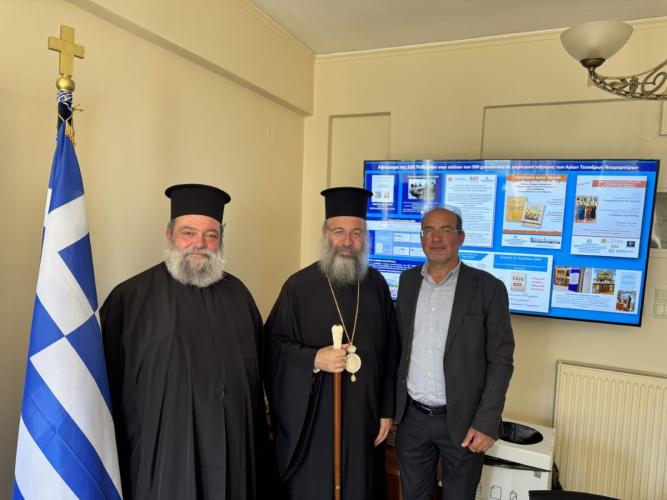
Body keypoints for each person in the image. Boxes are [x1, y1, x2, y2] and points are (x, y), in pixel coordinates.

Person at [101, 183, 268, 499]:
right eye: (188, 233)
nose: (199, 244)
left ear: (220, 239)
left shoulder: (240, 297)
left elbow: (261, 375)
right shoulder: (129, 300)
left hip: (233, 461)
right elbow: (103, 396)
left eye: (211, 235)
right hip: (165, 463)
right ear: (169, 235)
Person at [265, 187, 399, 500]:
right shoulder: (298, 287)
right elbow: (272, 347)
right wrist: (314, 359)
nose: (347, 241)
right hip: (314, 423)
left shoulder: (377, 285)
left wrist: (386, 410)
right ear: (326, 234)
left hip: (365, 418)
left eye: (356, 232)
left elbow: (392, 352)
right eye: (339, 231)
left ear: (365, 237)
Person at [394, 207, 515, 500]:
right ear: (421, 238)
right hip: (412, 419)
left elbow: (501, 361)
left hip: (464, 422)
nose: (436, 238)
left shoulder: (488, 288)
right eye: (428, 230)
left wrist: (486, 422)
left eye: (445, 230)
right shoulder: (407, 282)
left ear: (461, 237)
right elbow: (399, 349)